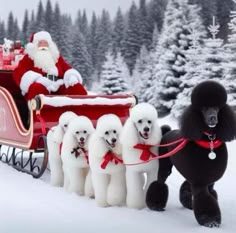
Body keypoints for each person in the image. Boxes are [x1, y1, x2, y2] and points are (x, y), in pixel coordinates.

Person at [13, 31, 87, 101]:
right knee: (37, 88)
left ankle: (81, 112)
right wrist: (36, 79)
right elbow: (18, 71)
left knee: (76, 87)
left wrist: (71, 76)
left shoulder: (56, 57)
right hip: (41, 86)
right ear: (35, 45)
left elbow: (66, 68)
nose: (43, 45)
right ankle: (39, 113)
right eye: (40, 43)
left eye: (45, 43)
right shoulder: (29, 57)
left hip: (58, 85)